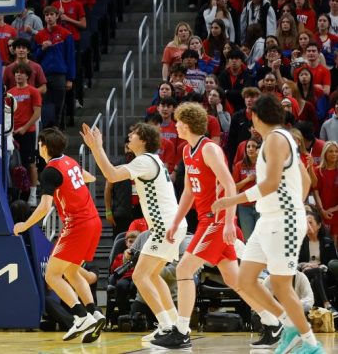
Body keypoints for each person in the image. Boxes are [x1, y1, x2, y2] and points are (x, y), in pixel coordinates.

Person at [212, 94, 324, 354]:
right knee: (247, 280)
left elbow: (271, 184)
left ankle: (311, 344)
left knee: (282, 285)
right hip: (270, 218)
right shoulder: (283, 139)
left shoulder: (275, 140)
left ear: (255, 117)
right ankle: (290, 325)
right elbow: (305, 183)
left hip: (282, 220)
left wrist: (233, 200)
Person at [152, 102, 247, 349]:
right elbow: (188, 192)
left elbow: (230, 185)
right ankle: (273, 321)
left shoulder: (210, 149)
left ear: (188, 123)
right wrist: (175, 221)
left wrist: (228, 222)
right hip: (205, 219)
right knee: (235, 280)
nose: (175, 124)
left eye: (178, 121)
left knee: (183, 269)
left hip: (216, 220)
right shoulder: (186, 150)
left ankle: (182, 331)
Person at [80, 122, 185, 344]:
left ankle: (168, 327)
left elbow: (111, 174)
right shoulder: (151, 160)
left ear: (144, 140)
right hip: (167, 225)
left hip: (165, 226)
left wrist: (97, 147)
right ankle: (175, 325)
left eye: (134, 133)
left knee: (140, 276)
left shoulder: (145, 160)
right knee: (153, 276)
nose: (129, 135)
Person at [13, 127, 104, 343]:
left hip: (78, 225)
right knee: (72, 272)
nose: (38, 147)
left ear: (44, 146)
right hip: (93, 222)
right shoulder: (70, 162)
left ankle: (81, 317)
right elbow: (89, 177)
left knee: (52, 275)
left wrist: (25, 225)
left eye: (39, 144)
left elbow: (45, 207)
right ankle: (94, 312)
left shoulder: (50, 171)